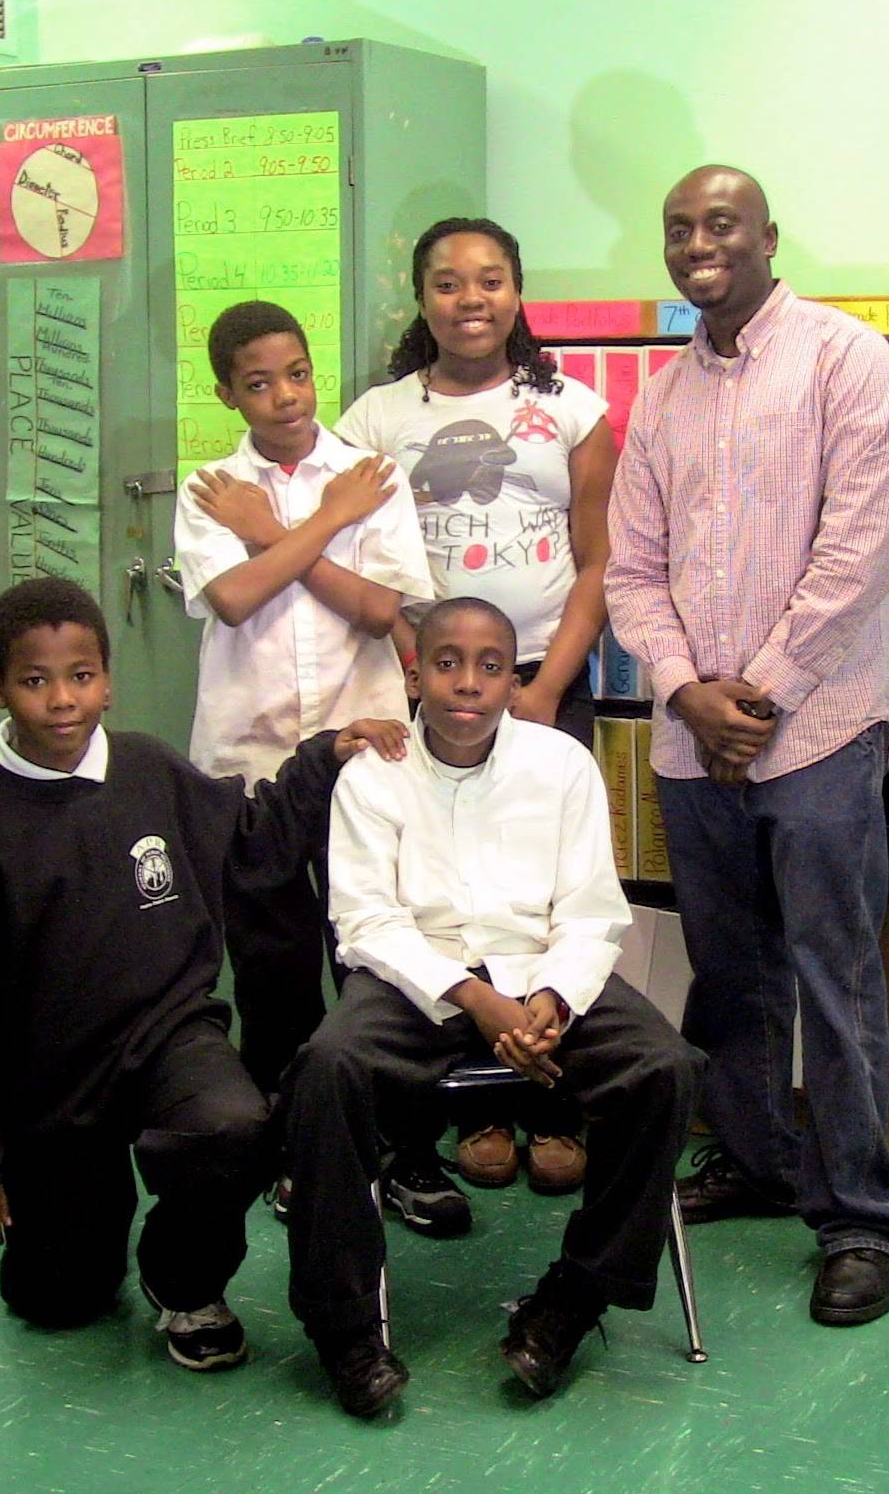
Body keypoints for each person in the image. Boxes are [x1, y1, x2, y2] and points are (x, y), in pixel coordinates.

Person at [0, 575, 407, 1370]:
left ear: (107, 678)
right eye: (35, 680)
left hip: (168, 1035)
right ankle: (82, 1232)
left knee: (234, 1125)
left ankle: (185, 1281)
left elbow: (254, 840)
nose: (62, 700)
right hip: (47, 1081)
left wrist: (324, 757)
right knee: (60, 1300)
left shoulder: (149, 771)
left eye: (81, 675)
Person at [605, 165, 889, 1327]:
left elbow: (866, 544)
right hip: (695, 742)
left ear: (768, 237)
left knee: (833, 979)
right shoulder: (663, 395)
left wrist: (765, 692)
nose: (699, 243)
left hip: (822, 730)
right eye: (679, 226)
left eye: (720, 223)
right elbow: (632, 571)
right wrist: (688, 693)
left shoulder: (845, 359)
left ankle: (858, 1220)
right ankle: (754, 1157)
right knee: (730, 979)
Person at [281, 597, 702, 1417]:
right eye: (446, 663)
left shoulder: (561, 765)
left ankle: (571, 1301)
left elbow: (590, 911)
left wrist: (546, 997)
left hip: (545, 969)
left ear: (515, 679)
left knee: (665, 1069)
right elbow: (365, 921)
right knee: (325, 1069)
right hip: (418, 978)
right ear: (415, 672)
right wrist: (474, 998)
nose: (465, 683)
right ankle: (345, 1329)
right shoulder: (372, 776)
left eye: (487, 666)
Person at [338, 216, 618, 1200]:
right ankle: (478, 1111)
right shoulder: (375, 419)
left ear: (516, 291)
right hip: (422, 680)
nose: (470, 300)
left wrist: (543, 689)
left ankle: (555, 1103)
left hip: (540, 675)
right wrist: (410, 664)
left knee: (541, 900)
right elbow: (352, 558)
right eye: (448, 283)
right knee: (448, 892)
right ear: (421, 299)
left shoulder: (574, 411)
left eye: (490, 281)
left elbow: (598, 562)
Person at [172, 301, 432, 1111]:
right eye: (258, 384)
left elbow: (378, 610)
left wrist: (277, 531)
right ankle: (285, 1124)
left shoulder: (370, 477)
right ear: (226, 395)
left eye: (298, 373)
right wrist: (326, 522)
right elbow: (236, 598)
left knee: (373, 949)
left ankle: (389, 1128)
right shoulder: (211, 489)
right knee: (271, 957)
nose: (286, 396)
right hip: (251, 764)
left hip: (365, 749)